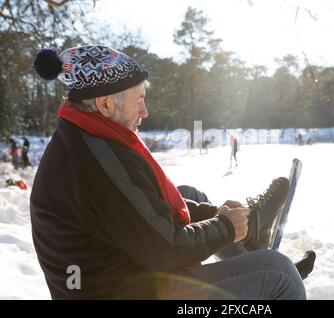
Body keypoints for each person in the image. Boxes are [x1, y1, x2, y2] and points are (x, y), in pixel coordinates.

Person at [30, 45, 314, 300]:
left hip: (121, 272)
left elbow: (141, 205)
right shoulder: (95, 160)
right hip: (123, 291)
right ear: (104, 104)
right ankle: (268, 273)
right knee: (279, 273)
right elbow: (164, 250)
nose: (145, 111)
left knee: (188, 196)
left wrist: (218, 214)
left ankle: (252, 243)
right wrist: (226, 227)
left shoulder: (86, 136)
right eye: (138, 99)